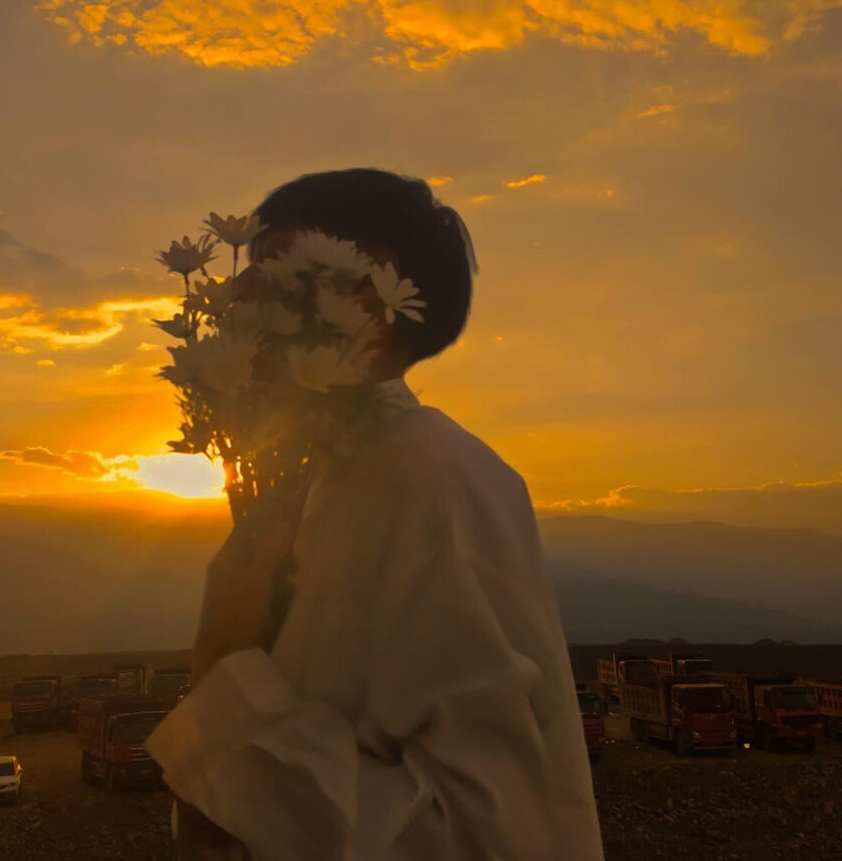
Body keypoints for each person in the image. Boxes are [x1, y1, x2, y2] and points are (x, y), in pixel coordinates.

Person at [147, 169, 604, 860]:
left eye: (267, 261)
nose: (236, 292)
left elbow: (478, 835)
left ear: (368, 286)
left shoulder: (435, 478)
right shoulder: (317, 478)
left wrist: (220, 675)